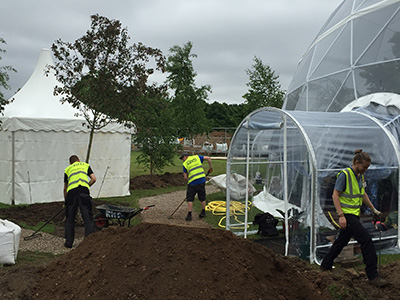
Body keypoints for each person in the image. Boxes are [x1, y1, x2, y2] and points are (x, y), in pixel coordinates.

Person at [320, 149, 387, 287]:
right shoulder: (345, 175)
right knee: (366, 240)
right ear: (356, 163)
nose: (366, 170)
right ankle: (373, 275)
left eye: (367, 167)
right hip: (347, 216)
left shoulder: (360, 177)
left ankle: (325, 265)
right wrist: (341, 216)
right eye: (364, 167)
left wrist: (373, 209)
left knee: (341, 241)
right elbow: (335, 195)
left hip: (354, 215)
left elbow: (363, 195)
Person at [63, 155, 96, 248]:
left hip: (71, 194)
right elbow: (94, 179)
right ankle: (88, 243)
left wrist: (65, 201)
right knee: (88, 219)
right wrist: (86, 186)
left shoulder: (68, 169)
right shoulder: (85, 165)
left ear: (70, 163)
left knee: (70, 220)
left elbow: (65, 188)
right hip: (83, 193)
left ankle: (68, 243)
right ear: (78, 160)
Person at [180, 153, 213, 221]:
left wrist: (189, 179)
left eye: (182, 158)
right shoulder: (197, 157)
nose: (183, 160)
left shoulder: (185, 164)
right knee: (202, 197)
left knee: (190, 198)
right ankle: (203, 212)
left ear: (185, 157)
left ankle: (189, 215)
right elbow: (208, 158)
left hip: (192, 183)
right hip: (201, 180)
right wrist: (210, 167)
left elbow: (185, 177)